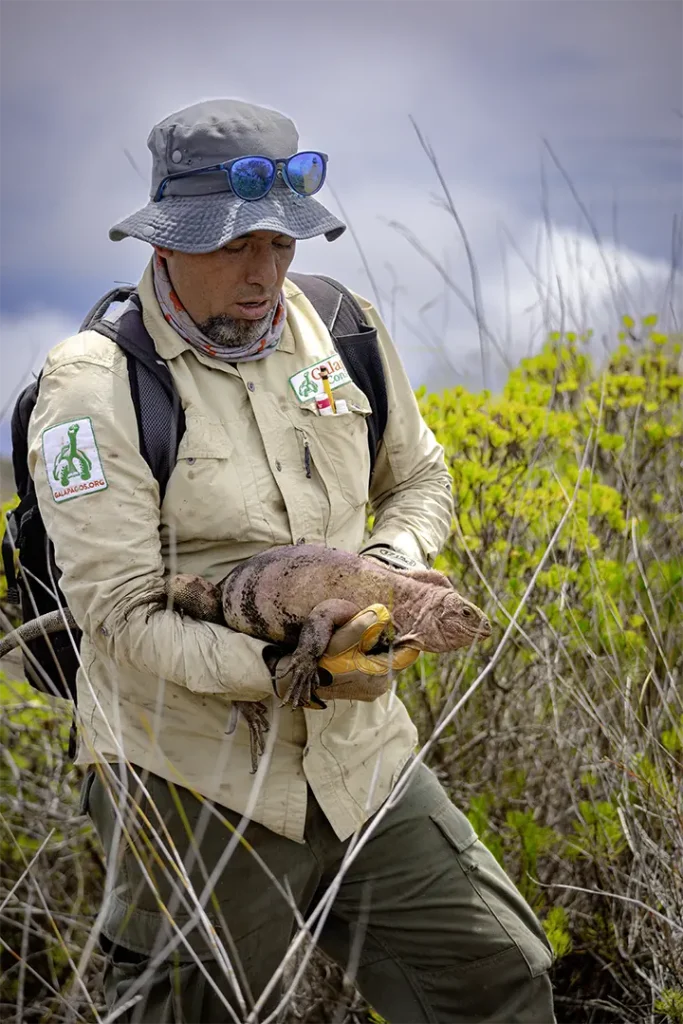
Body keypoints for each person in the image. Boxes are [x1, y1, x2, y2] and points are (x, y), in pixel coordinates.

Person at [27, 99, 556, 1022]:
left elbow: (420, 477)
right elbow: (115, 611)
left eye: (279, 244)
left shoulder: (342, 328)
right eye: (233, 246)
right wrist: (291, 669)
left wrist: (385, 574)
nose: (263, 271)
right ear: (166, 241)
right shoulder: (93, 385)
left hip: (360, 762)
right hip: (189, 773)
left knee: (495, 977)